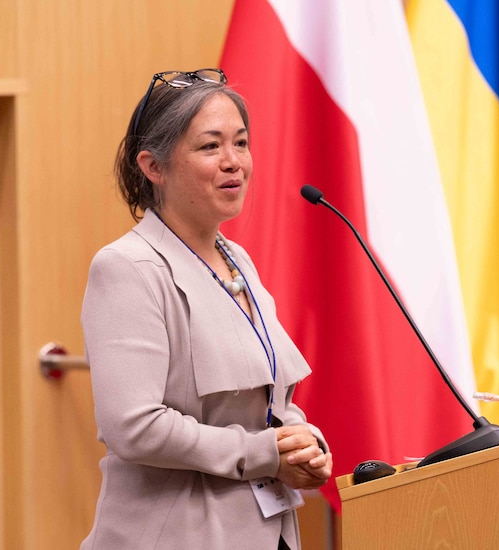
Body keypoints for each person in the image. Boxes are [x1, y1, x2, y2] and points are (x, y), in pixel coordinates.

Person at [80, 68, 333, 550]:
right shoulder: (127, 267)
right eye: (210, 147)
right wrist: (263, 453)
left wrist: (301, 441)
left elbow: (266, 399)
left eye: (240, 143)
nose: (233, 162)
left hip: (268, 530)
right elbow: (133, 426)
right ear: (154, 167)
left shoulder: (238, 259)